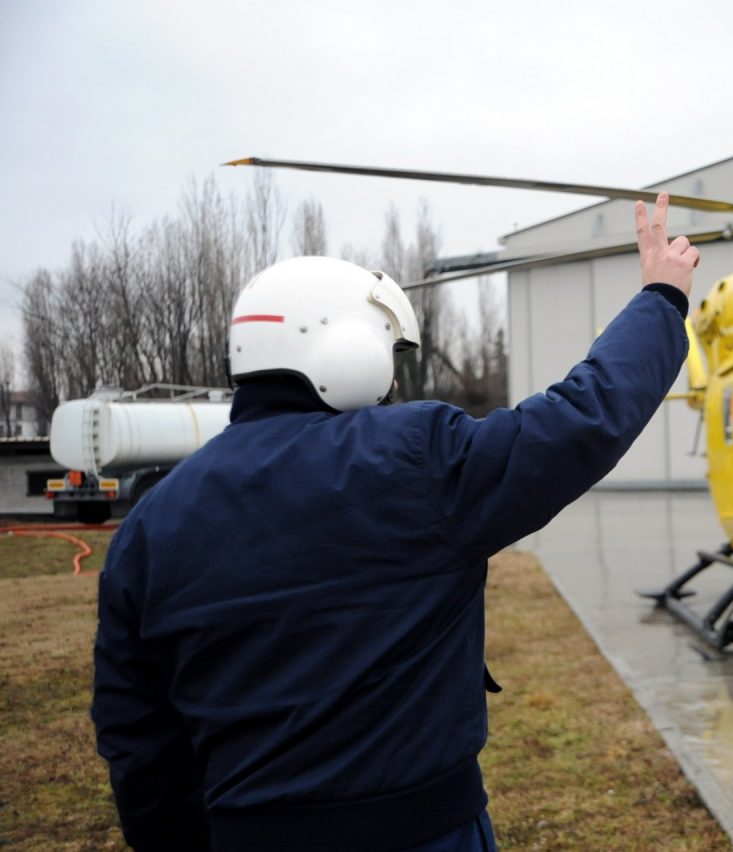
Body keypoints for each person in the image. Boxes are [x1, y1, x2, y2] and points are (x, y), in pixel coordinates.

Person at [92, 194, 699, 851]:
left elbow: (136, 735)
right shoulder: (417, 457)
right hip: (424, 831)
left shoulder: (150, 526)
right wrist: (660, 302)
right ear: (349, 348)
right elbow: (581, 421)